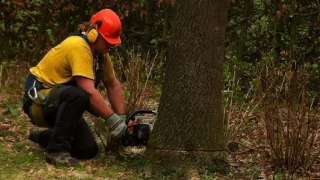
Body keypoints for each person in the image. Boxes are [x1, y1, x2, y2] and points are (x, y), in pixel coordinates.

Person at [22, 9, 128, 166]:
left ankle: (45, 137)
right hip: (39, 103)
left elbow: (112, 85)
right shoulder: (78, 46)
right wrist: (113, 121)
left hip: (60, 103)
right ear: (93, 33)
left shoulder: (100, 56)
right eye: (107, 41)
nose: (110, 46)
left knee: (88, 149)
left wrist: (123, 119)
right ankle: (56, 152)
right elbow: (88, 91)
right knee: (79, 95)